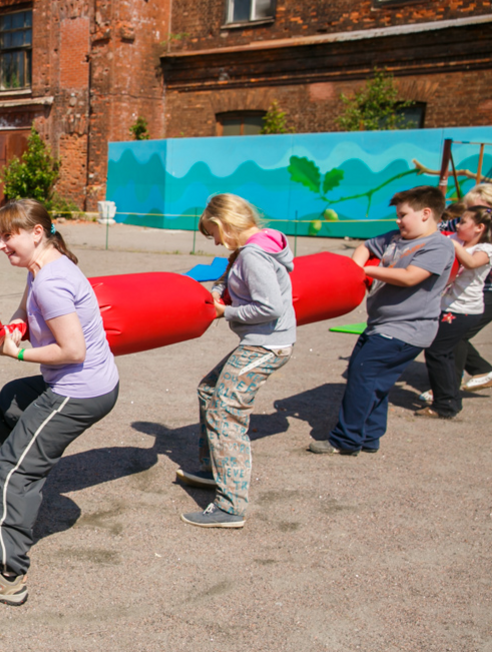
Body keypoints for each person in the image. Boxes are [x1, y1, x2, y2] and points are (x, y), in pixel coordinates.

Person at [0, 199, 118, 605]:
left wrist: (17, 354)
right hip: (81, 383)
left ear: (36, 233)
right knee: (10, 399)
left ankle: (8, 575)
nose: (0, 245)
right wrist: (18, 324)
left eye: (8, 236)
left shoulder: (52, 282)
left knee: (16, 472)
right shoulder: (42, 267)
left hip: (78, 391)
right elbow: (27, 307)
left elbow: (72, 350)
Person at [175, 194, 294, 529]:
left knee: (225, 410)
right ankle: (215, 471)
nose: (215, 242)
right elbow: (231, 280)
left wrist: (225, 311)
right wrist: (216, 291)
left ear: (223, 223)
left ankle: (230, 505)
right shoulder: (249, 250)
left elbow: (270, 307)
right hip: (261, 341)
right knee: (209, 390)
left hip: (267, 345)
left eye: (214, 234)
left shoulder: (254, 255)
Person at [309, 185, 455, 455]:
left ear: (425, 213)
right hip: (381, 325)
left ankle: (346, 440)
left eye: (402, 215)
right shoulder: (395, 238)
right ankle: (369, 437)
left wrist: (366, 270)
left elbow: (411, 276)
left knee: (363, 377)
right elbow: (365, 246)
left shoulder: (439, 245)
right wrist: (355, 271)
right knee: (372, 381)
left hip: (407, 330)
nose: (397, 221)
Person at [417, 205, 492, 418]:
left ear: (479, 228)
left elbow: (470, 263)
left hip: (465, 310)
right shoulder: (459, 241)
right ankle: (449, 400)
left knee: (437, 351)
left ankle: (444, 403)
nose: (457, 226)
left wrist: (449, 243)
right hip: (449, 307)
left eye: (463, 222)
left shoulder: (486, 249)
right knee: (444, 352)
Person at [451, 184, 492, 391]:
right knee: (451, 334)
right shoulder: (462, 225)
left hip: (486, 294)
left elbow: (473, 262)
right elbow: (439, 228)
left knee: (456, 335)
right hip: (474, 290)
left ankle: (448, 386)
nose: (469, 215)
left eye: (477, 209)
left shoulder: (487, 241)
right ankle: (481, 370)